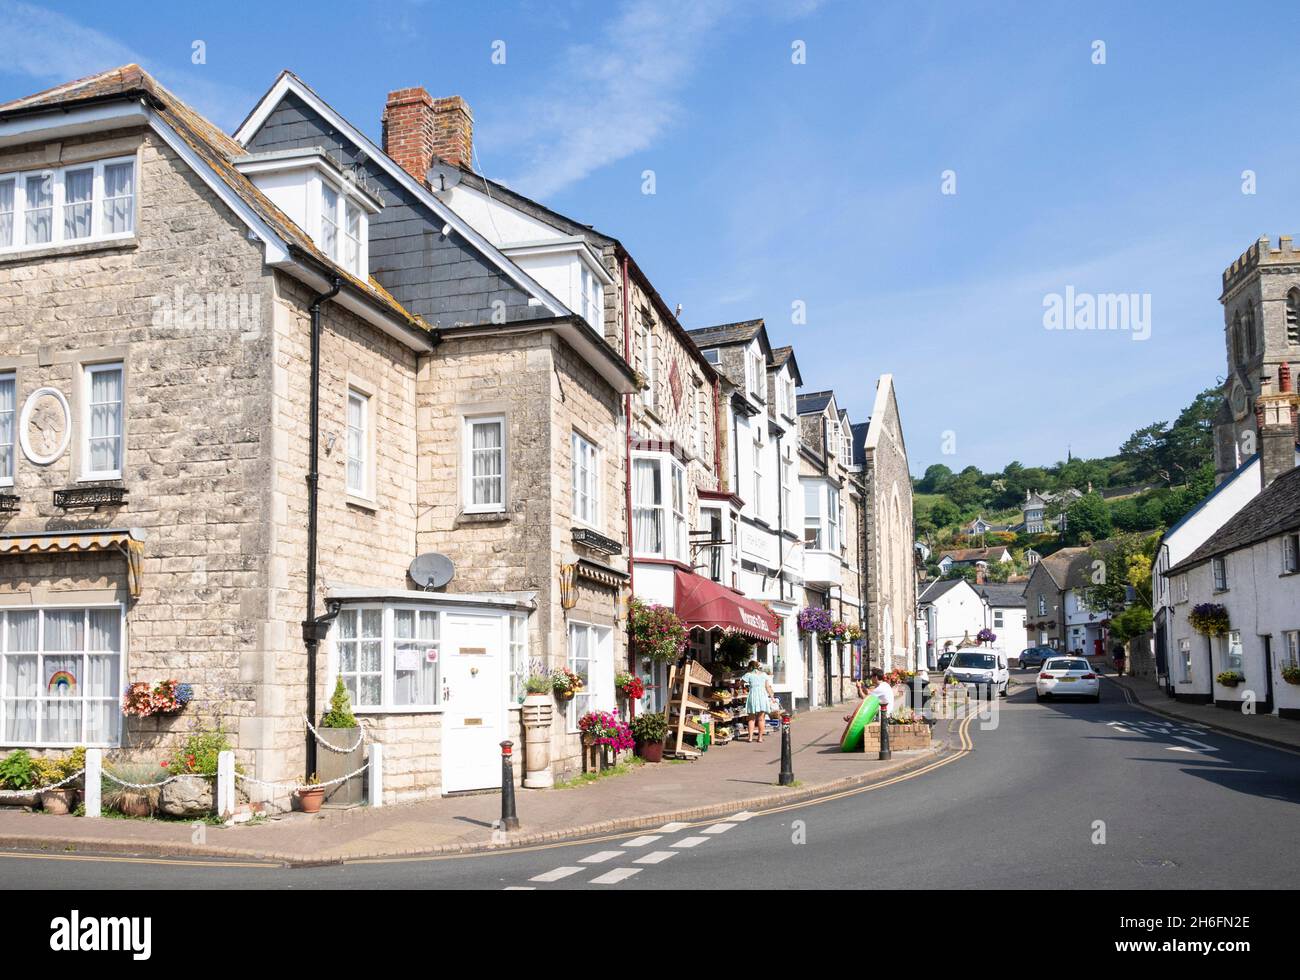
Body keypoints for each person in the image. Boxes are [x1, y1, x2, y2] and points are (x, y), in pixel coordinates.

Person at [739, 660, 774, 743]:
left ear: (750, 667)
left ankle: (750, 738)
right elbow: (767, 687)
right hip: (762, 696)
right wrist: (772, 696)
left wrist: (733, 685)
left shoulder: (749, 675)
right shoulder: (764, 675)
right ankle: (760, 738)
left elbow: (740, 683)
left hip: (753, 696)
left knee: (751, 719)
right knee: (761, 719)